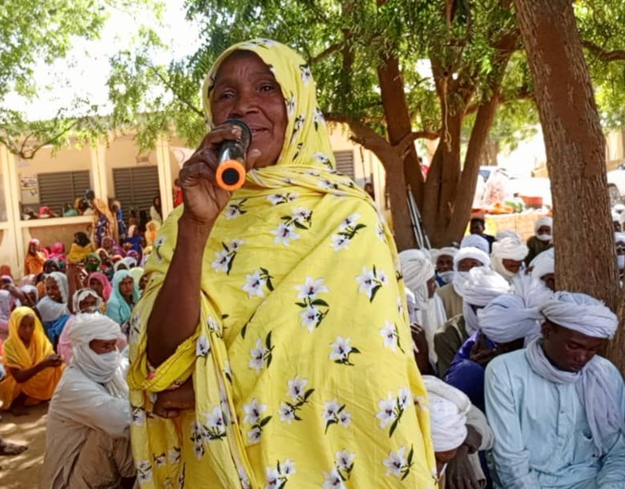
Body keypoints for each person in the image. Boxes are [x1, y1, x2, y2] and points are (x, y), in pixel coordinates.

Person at [127, 40, 435, 487]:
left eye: (266, 88)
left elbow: (362, 372)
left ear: (298, 105)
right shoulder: (182, 224)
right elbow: (161, 362)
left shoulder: (348, 217)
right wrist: (197, 226)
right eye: (226, 94)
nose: (244, 106)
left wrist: (214, 389)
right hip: (218, 469)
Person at [486, 292, 625, 488]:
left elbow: (622, 454)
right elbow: (510, 464)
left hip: (592, 482)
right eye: (574, 346)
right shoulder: (505, 371)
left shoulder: (605, 374)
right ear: (547, 331)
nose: (582, 358)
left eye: (592, 349)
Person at [43, 314, 135, 488]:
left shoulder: (110, 370)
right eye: (105, 346)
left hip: (91, 465)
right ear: (85, 348)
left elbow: (131, 364)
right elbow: (122, 419)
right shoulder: (73, 385)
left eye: (113, 345)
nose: (111, 352)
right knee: (116, 431)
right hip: (70, 477)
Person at [444, 291, 537, 411]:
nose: (496, 348)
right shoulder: (475, 352)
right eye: (495, 342)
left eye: (505, 345)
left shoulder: (539, 358)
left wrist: (501, 369)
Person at [435, 267, 510, 378]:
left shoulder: (514, 331)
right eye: (481, 309)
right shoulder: (448, 335)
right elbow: (449, 383)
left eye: (494, 310)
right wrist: (471, 368)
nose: (488, 316)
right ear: (468, 307)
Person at [423, 376, 493, 489]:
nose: (438, 472)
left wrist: (461, 447)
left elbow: (485, 431)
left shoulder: (446, 404)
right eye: (435, 459)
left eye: (444, 461)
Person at [0, 307, 65, 413]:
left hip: (35, 376)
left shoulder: (39, 339)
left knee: (60, 368)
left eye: (31, 325)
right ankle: (18, 402)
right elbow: (19, 377)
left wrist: (56, 360)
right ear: (15, 326)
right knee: (43, 370)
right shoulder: (9, 345)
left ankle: (39, 396)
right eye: (23, 326)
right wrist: (43, 364)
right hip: (16, 385)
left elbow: (49, 356)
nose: (28, 330)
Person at [399, 249, 445, 367]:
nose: (435, 286)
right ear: (418, 286)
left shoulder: (434, 301)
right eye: (431, 282)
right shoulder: (395, 311)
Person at [435, 247, 491, 321]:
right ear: (457, 269)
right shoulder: (441, 294)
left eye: (474, 266)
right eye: (464, 266)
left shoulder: (492, 292)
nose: (469, 270)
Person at [57, 288, 107, 364]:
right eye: (84, 304)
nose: (89, 307)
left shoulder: (95, 316)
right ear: (78, 305)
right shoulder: (75, 321)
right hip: (70, 353)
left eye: (92, 303)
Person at [37, 272, 71, 347]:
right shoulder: (44, 304)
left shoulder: (68, 302)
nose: (50, 292)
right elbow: (69, 310)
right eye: (47, 288)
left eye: (54, 288)